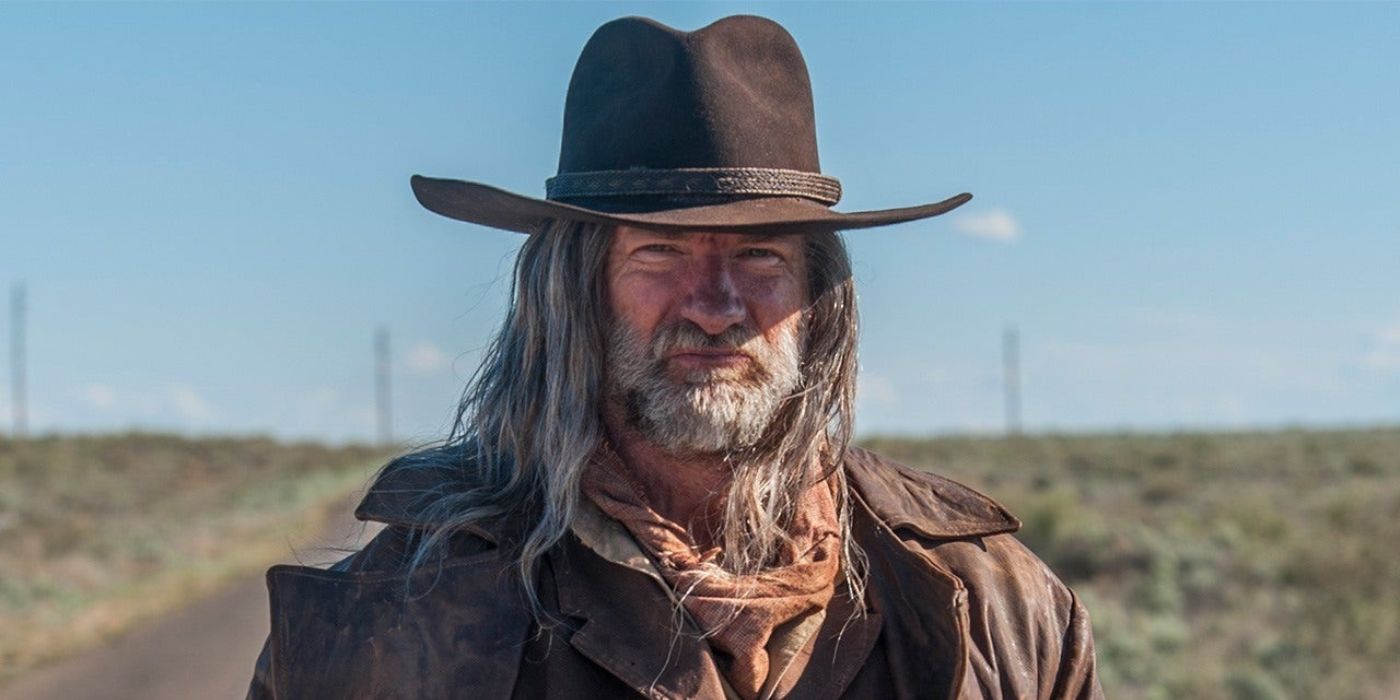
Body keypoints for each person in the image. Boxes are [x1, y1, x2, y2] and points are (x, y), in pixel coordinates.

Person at [247, 14, 1101, 700]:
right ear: (575, 292)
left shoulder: (990, 605)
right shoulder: (403, 615)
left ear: (819, 297)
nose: (716, 304)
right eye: (659, 253)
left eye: (760, 256)